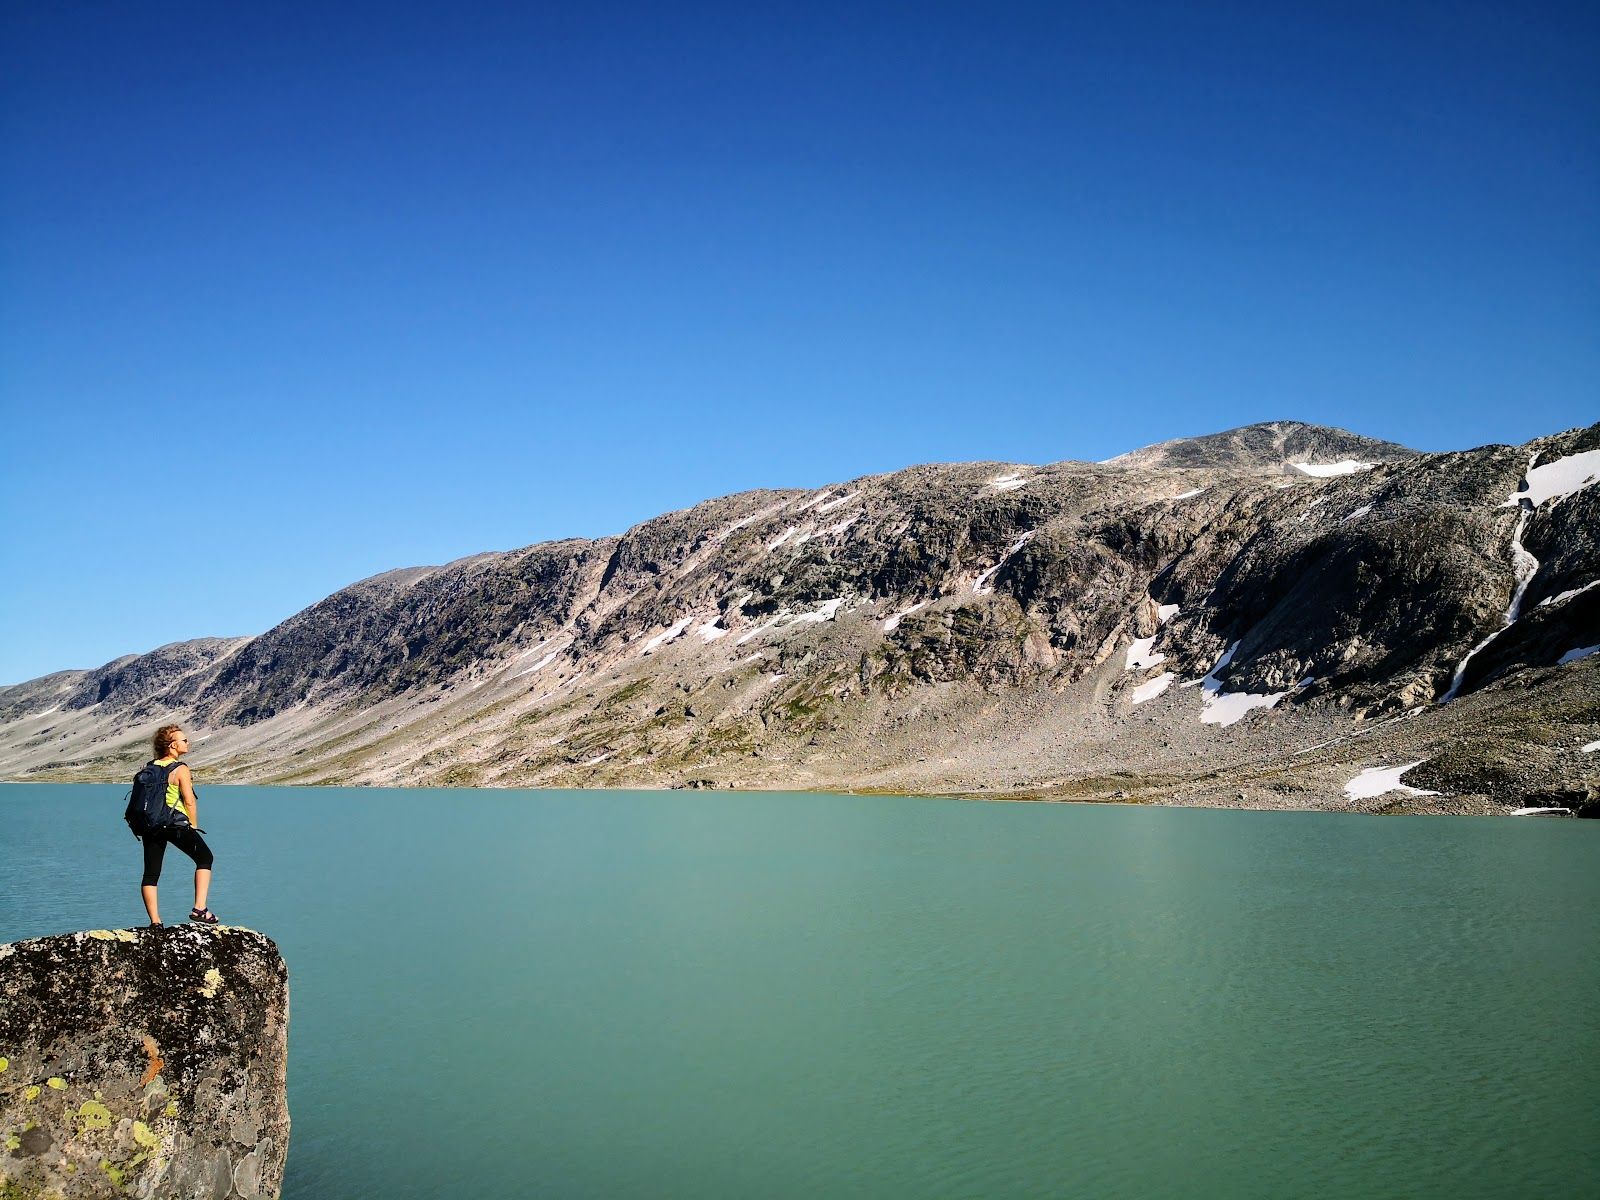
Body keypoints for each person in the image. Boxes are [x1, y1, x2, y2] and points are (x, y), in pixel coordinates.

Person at [139, 724, 218, 926]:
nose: (187, 742)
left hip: (150, 825)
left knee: (151, 874)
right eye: (184, 740)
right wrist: (192, 825)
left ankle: (155, 923)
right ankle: (200, 908)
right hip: (174, 824)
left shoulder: (149, 767)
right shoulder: (180, 768)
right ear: (173, 745)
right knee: (205, 857)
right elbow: (189, 800)